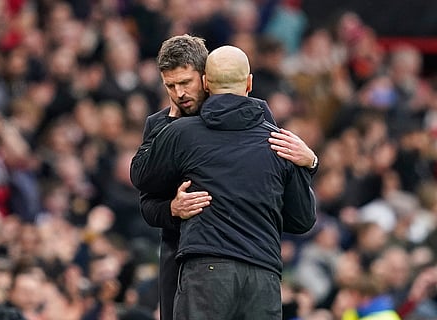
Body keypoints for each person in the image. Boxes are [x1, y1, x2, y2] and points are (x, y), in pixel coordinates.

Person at [131, 34, 318, 320]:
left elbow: (140, 175)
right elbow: (145, 196)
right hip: (204, 260)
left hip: (205, 267)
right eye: (170, 86)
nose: (179, 94)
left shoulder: (187, 133)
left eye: (186, 83)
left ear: (205, 79)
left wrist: (311, 162)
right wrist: (171, 209)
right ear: (248, 83)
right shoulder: (268, 134)